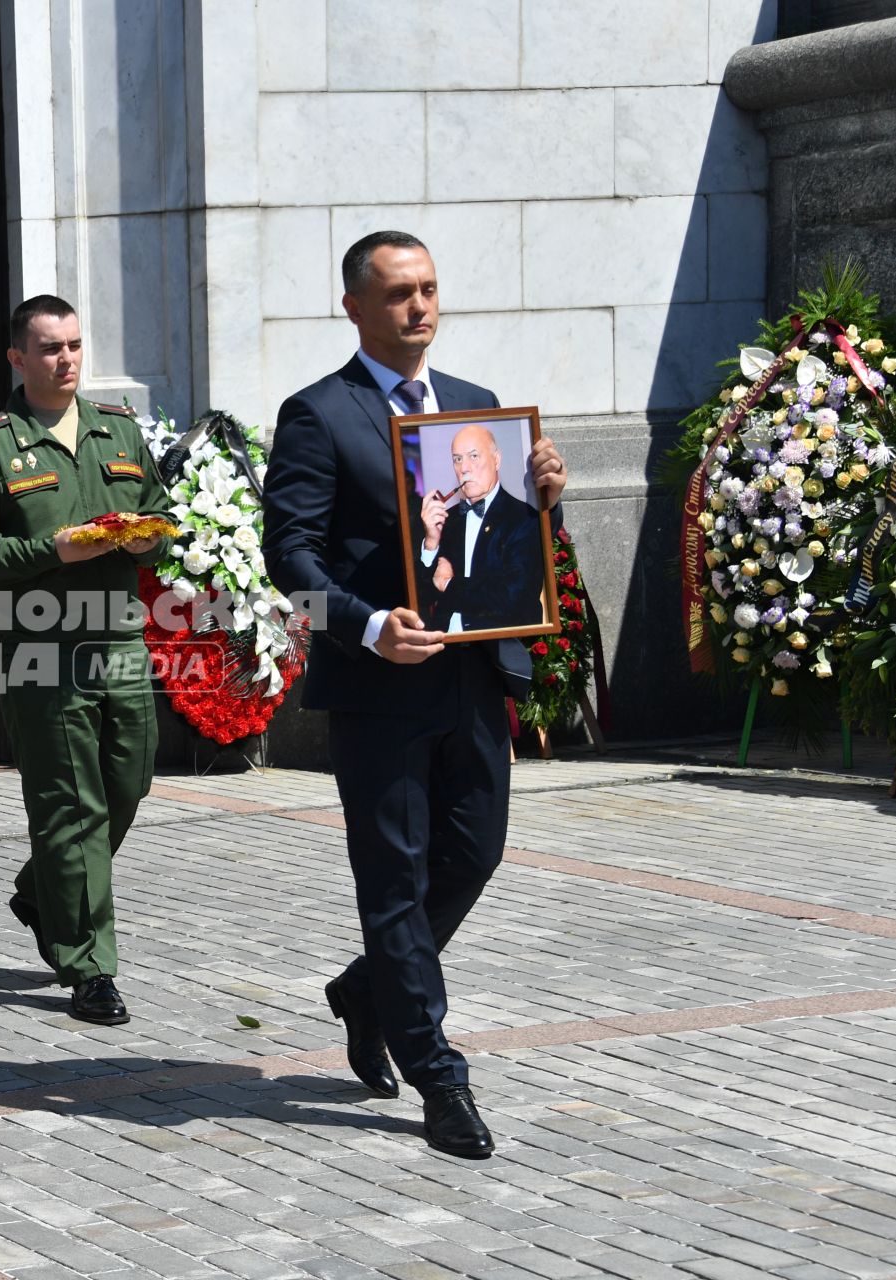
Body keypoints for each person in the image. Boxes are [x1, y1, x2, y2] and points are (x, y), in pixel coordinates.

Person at [261, 231, 568, 1158]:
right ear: (354, 306)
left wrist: (542, 494)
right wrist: (365, 625)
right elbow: (292, 555)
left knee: (473, 856)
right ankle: (439, 1073)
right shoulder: (319, 413)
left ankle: (366, 991)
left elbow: (500, 539)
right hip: (381, 686)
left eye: (429, 288)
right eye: (397, 294)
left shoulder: (476, 410)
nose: (419, 308)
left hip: (474, 675)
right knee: (394, 879)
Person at [0, 294, 172, 1026]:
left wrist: (146, 541)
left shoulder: (120, 433)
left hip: (120, 642)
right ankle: (88, 965)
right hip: (41, 653)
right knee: (71, 806)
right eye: (49, 347)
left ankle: (43, 889)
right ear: (18, 357)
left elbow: (162, 517)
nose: (66, 358)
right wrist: (52, 549)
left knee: (127, 784)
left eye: (73, 344)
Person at [417, 425, 546, 632]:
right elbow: (421, 597)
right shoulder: (447, 521)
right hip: (442, 648)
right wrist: (431, 544)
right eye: (457, 459)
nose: (464, 468)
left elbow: (512, 599)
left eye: (473, 456)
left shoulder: (525, 518)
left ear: (497, 460)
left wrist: (449, 585)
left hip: (495, 651)